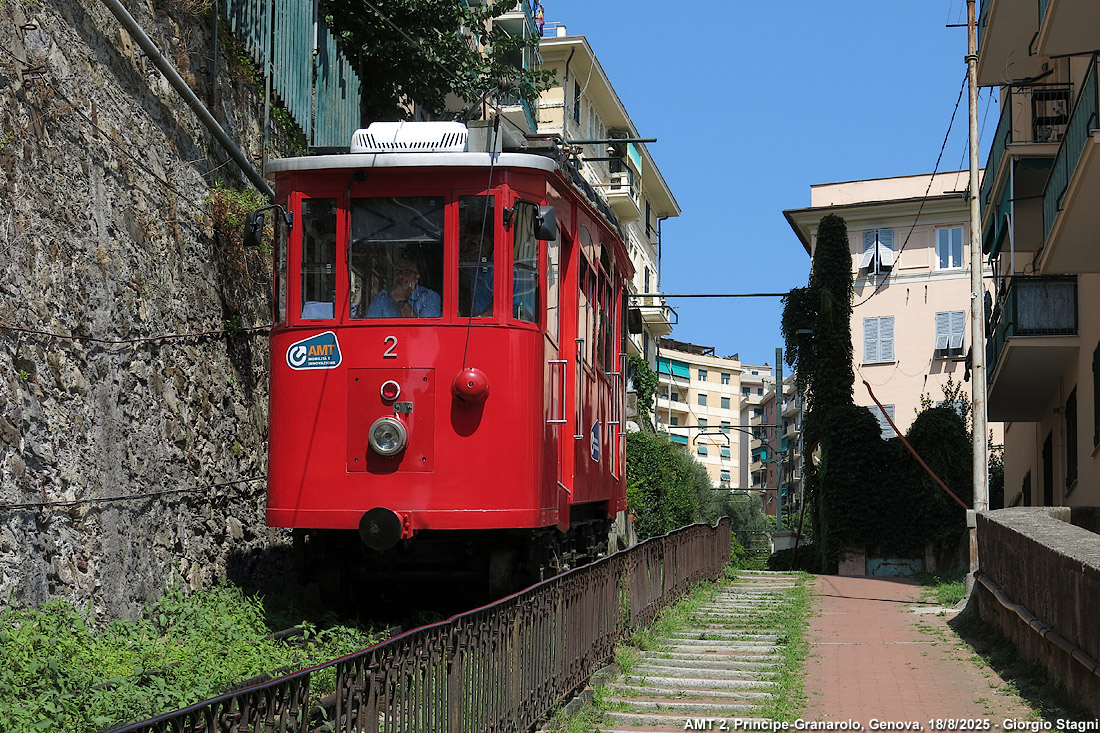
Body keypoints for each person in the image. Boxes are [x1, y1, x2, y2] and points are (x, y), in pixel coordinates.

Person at [365, 258, 441, 318]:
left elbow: (424, 330)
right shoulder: (383, 297)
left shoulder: (429, 297)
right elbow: (370, 328)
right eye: (397, 272)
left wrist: (401, 301)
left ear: (416, 278)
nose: (401, 276)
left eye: (406, 272)